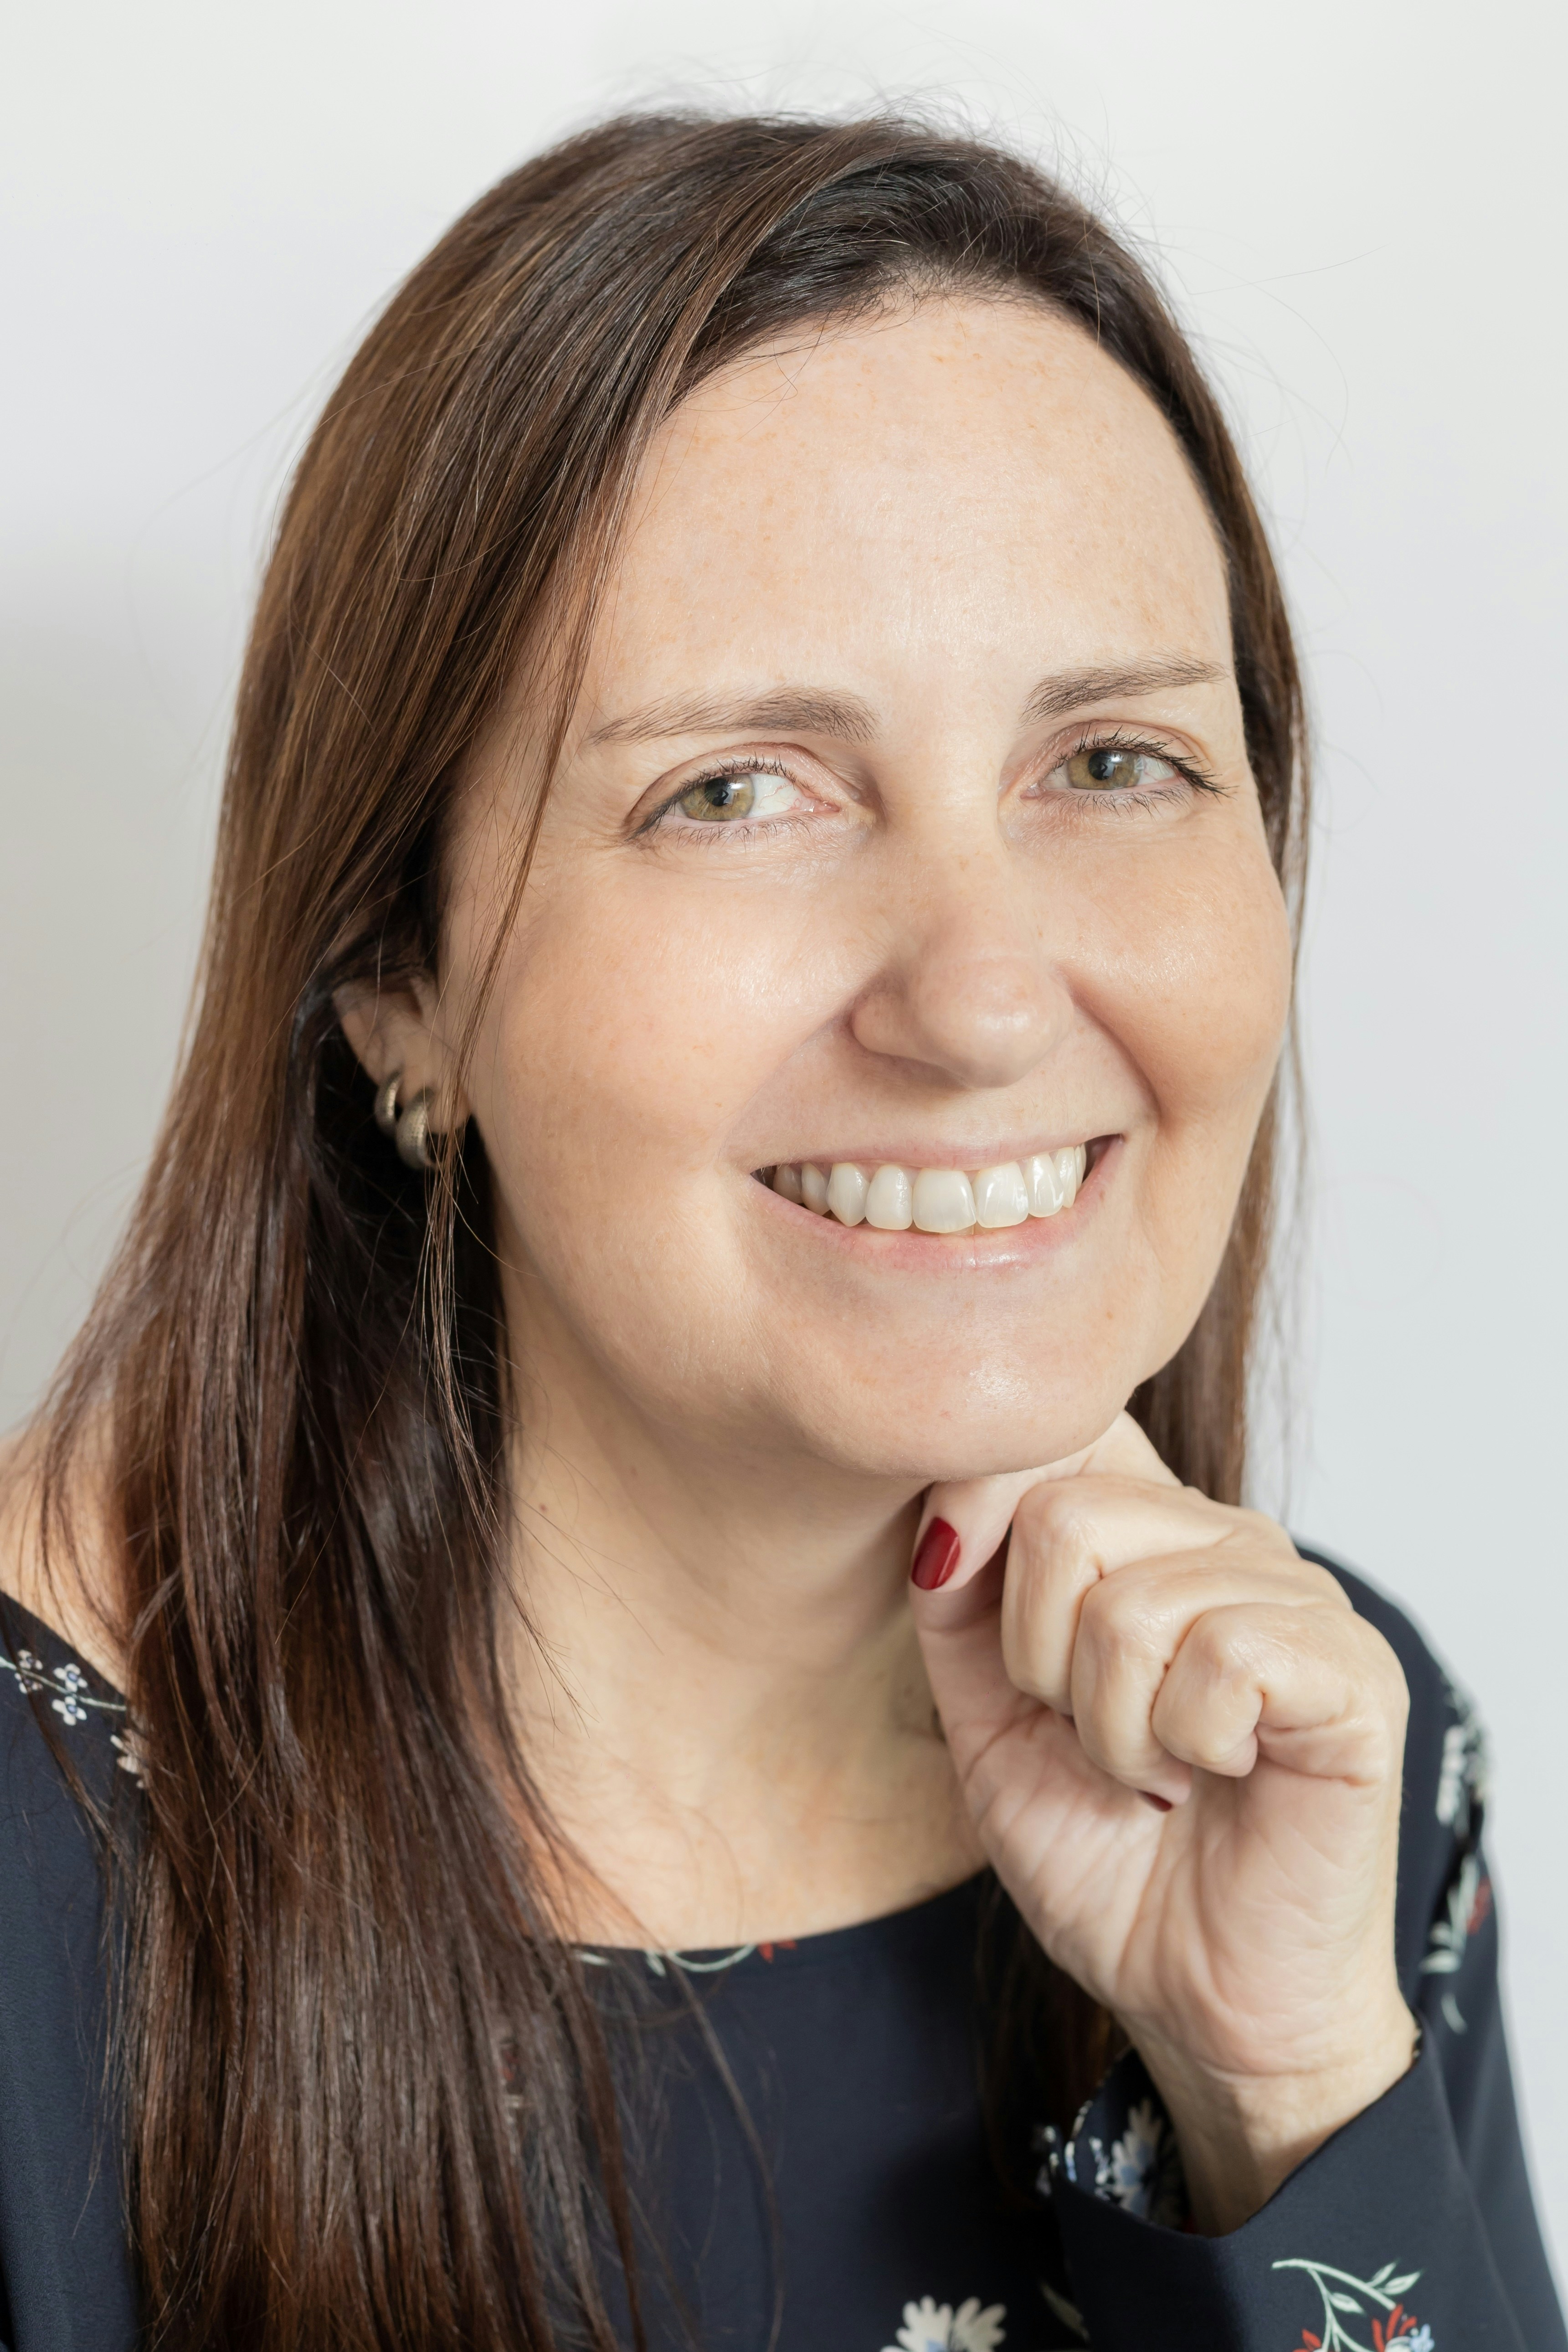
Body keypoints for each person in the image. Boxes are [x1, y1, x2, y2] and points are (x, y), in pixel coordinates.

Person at [0, 109, 1558, 2352]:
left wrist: (1296, 2089)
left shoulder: (1319, 1767)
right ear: (391, 978)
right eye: (736, 789)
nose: (989, 996)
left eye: (1112, 761)